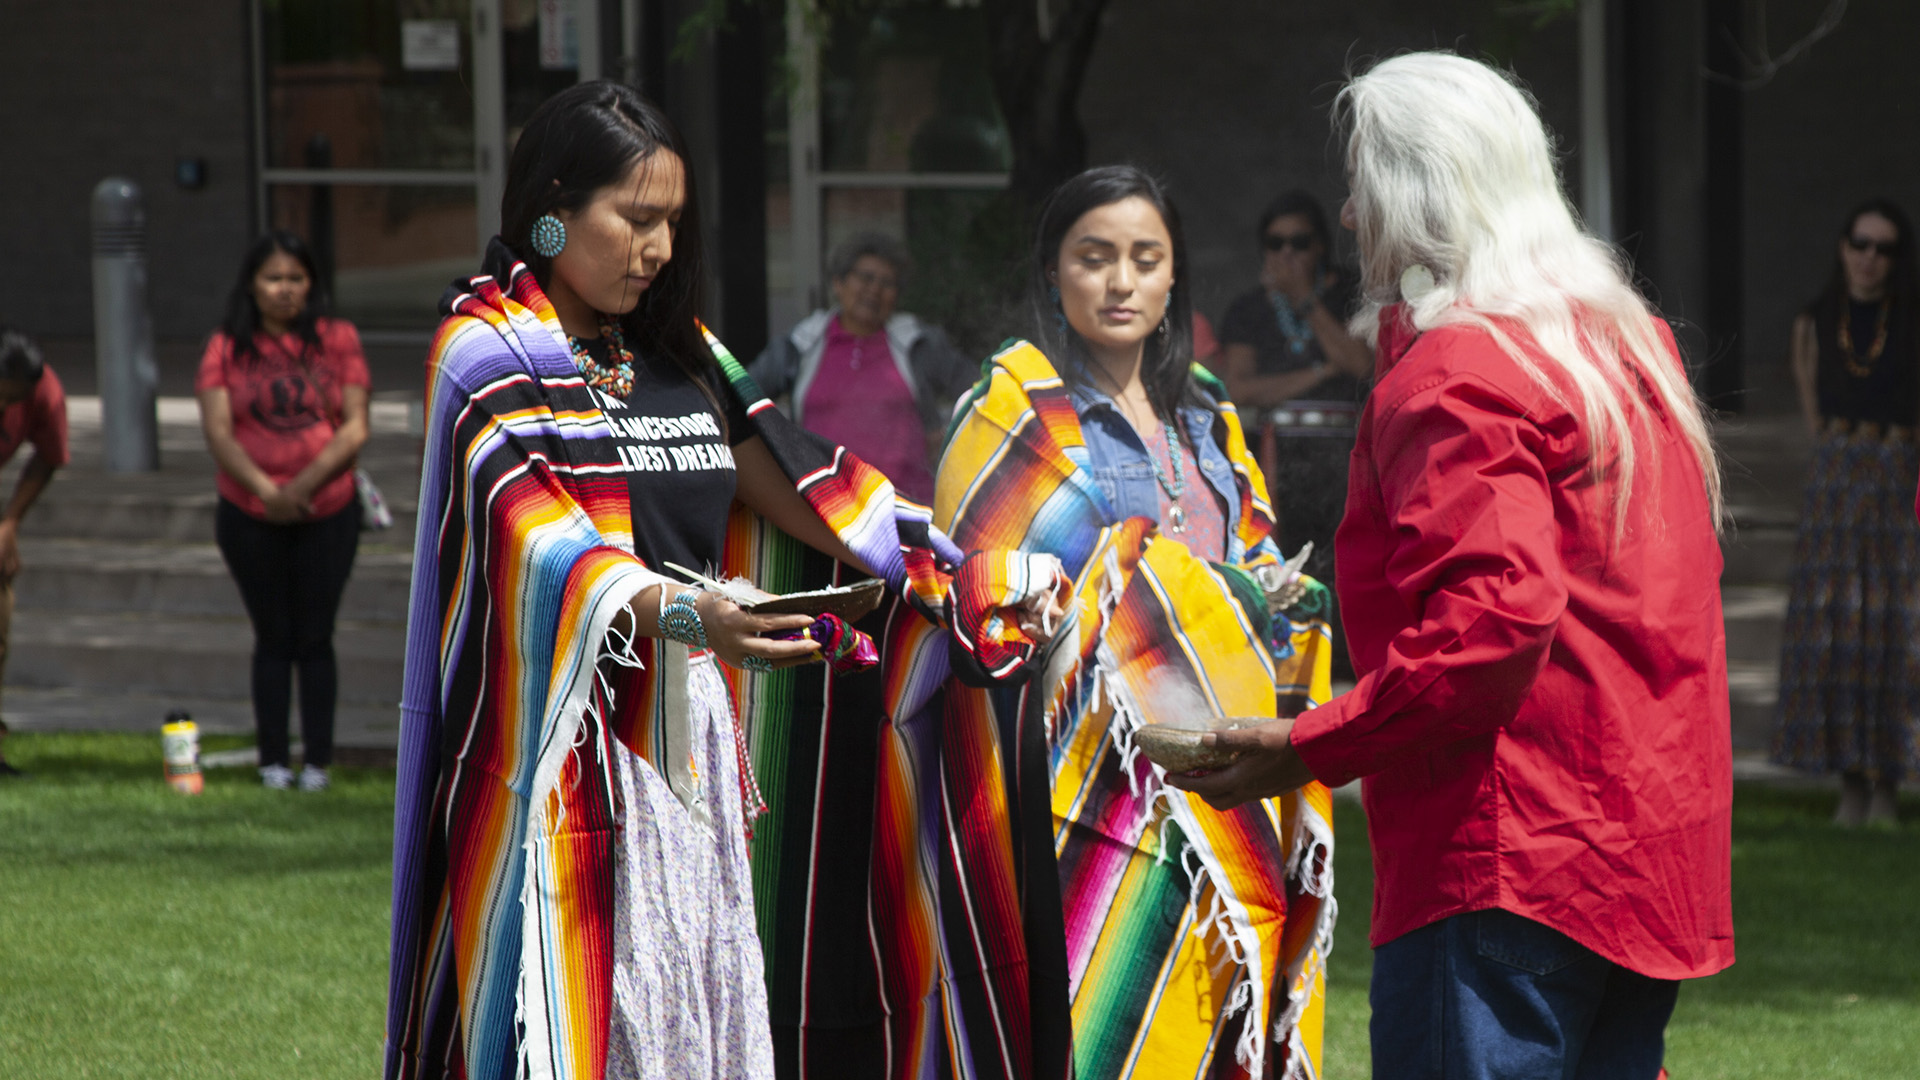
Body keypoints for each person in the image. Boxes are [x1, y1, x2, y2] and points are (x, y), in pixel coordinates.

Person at [382, 82, 978, 1080]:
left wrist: (939, 566)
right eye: (636, 219)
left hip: (685, 733)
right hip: (560, 743)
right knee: (583, 1011)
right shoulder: (486, 353)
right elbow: (542, 542)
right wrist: (695, 615)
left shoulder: (683, 350)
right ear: (554, 206)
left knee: (683, 1006)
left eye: (671, 224)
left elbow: (796, 480)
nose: (658, 249)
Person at [1169, 53, 1732, 1079]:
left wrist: (1311, 742)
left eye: (1362, 183)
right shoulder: (1624, 345)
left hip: (1508, 851)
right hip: (1645, 853)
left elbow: (1489, 631)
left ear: (1417, 193)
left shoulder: (1463, 367)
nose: (1347, 215)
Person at [802, 165, 1336, 1080]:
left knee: (1216, 1026)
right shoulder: (1013, 409)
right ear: (1054, 273)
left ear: (1174, 280)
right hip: (1072, 794)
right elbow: (979, 600)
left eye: (1144, 259)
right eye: (1094, 258)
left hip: (1228, 782)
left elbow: (1257, 565)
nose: (1120, 281)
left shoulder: (1207, 412)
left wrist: (1266, 600)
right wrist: (1167, 592)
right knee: (1096, 1024)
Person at [195, 232, 369, 793]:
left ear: (312, 283)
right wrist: (267, 491)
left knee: (315, 638)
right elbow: (219, 432)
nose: (285, 289)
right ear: (252, 284)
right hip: (248, 513)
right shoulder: (225, 346)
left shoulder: (337, 339)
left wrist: (302, 486)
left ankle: (316, 762)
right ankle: (273, 760)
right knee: (273, 637)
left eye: (296, 277)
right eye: (274, 278)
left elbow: (355, 425)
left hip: (330, 511)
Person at [1774, 198, 1920, 826]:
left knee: (1890, 629)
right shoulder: (1815, 321)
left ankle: (1886, 785)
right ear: (1843, 246)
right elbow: (1811, 404)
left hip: (1895, 484)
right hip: (1835, 488)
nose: (1870, 258)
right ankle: (1847, 787)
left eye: (1884, 248)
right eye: (1861, 243)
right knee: (1835, 628)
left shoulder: (1912, 321)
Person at [750, 233, 973, 503]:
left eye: (887, 283)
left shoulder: (916, 343)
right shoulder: (803, 344)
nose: (874, 290)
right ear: (839, 283)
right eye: (866, 278)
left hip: (906, 509)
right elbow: (744, 397)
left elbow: (975, 389)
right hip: (820, 509)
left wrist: (949, 435)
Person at [1218, 191, 1372, 581]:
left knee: (1352, 564)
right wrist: (1322, 371)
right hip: (1278, 455)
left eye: (1300, 242)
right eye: (1276, 243)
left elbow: (1363, 365)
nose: (1288, 253)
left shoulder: (1352, 292)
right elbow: (1239, 389)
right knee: (1283, 567)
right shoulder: (1248, 308)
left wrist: (1303, 296)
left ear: (1320, 245)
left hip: (1346, 453)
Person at [0, 327, 69, 779]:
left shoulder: (44, 392)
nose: (5, 409)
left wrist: (10, 523)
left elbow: (48, 454)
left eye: (13, 400)